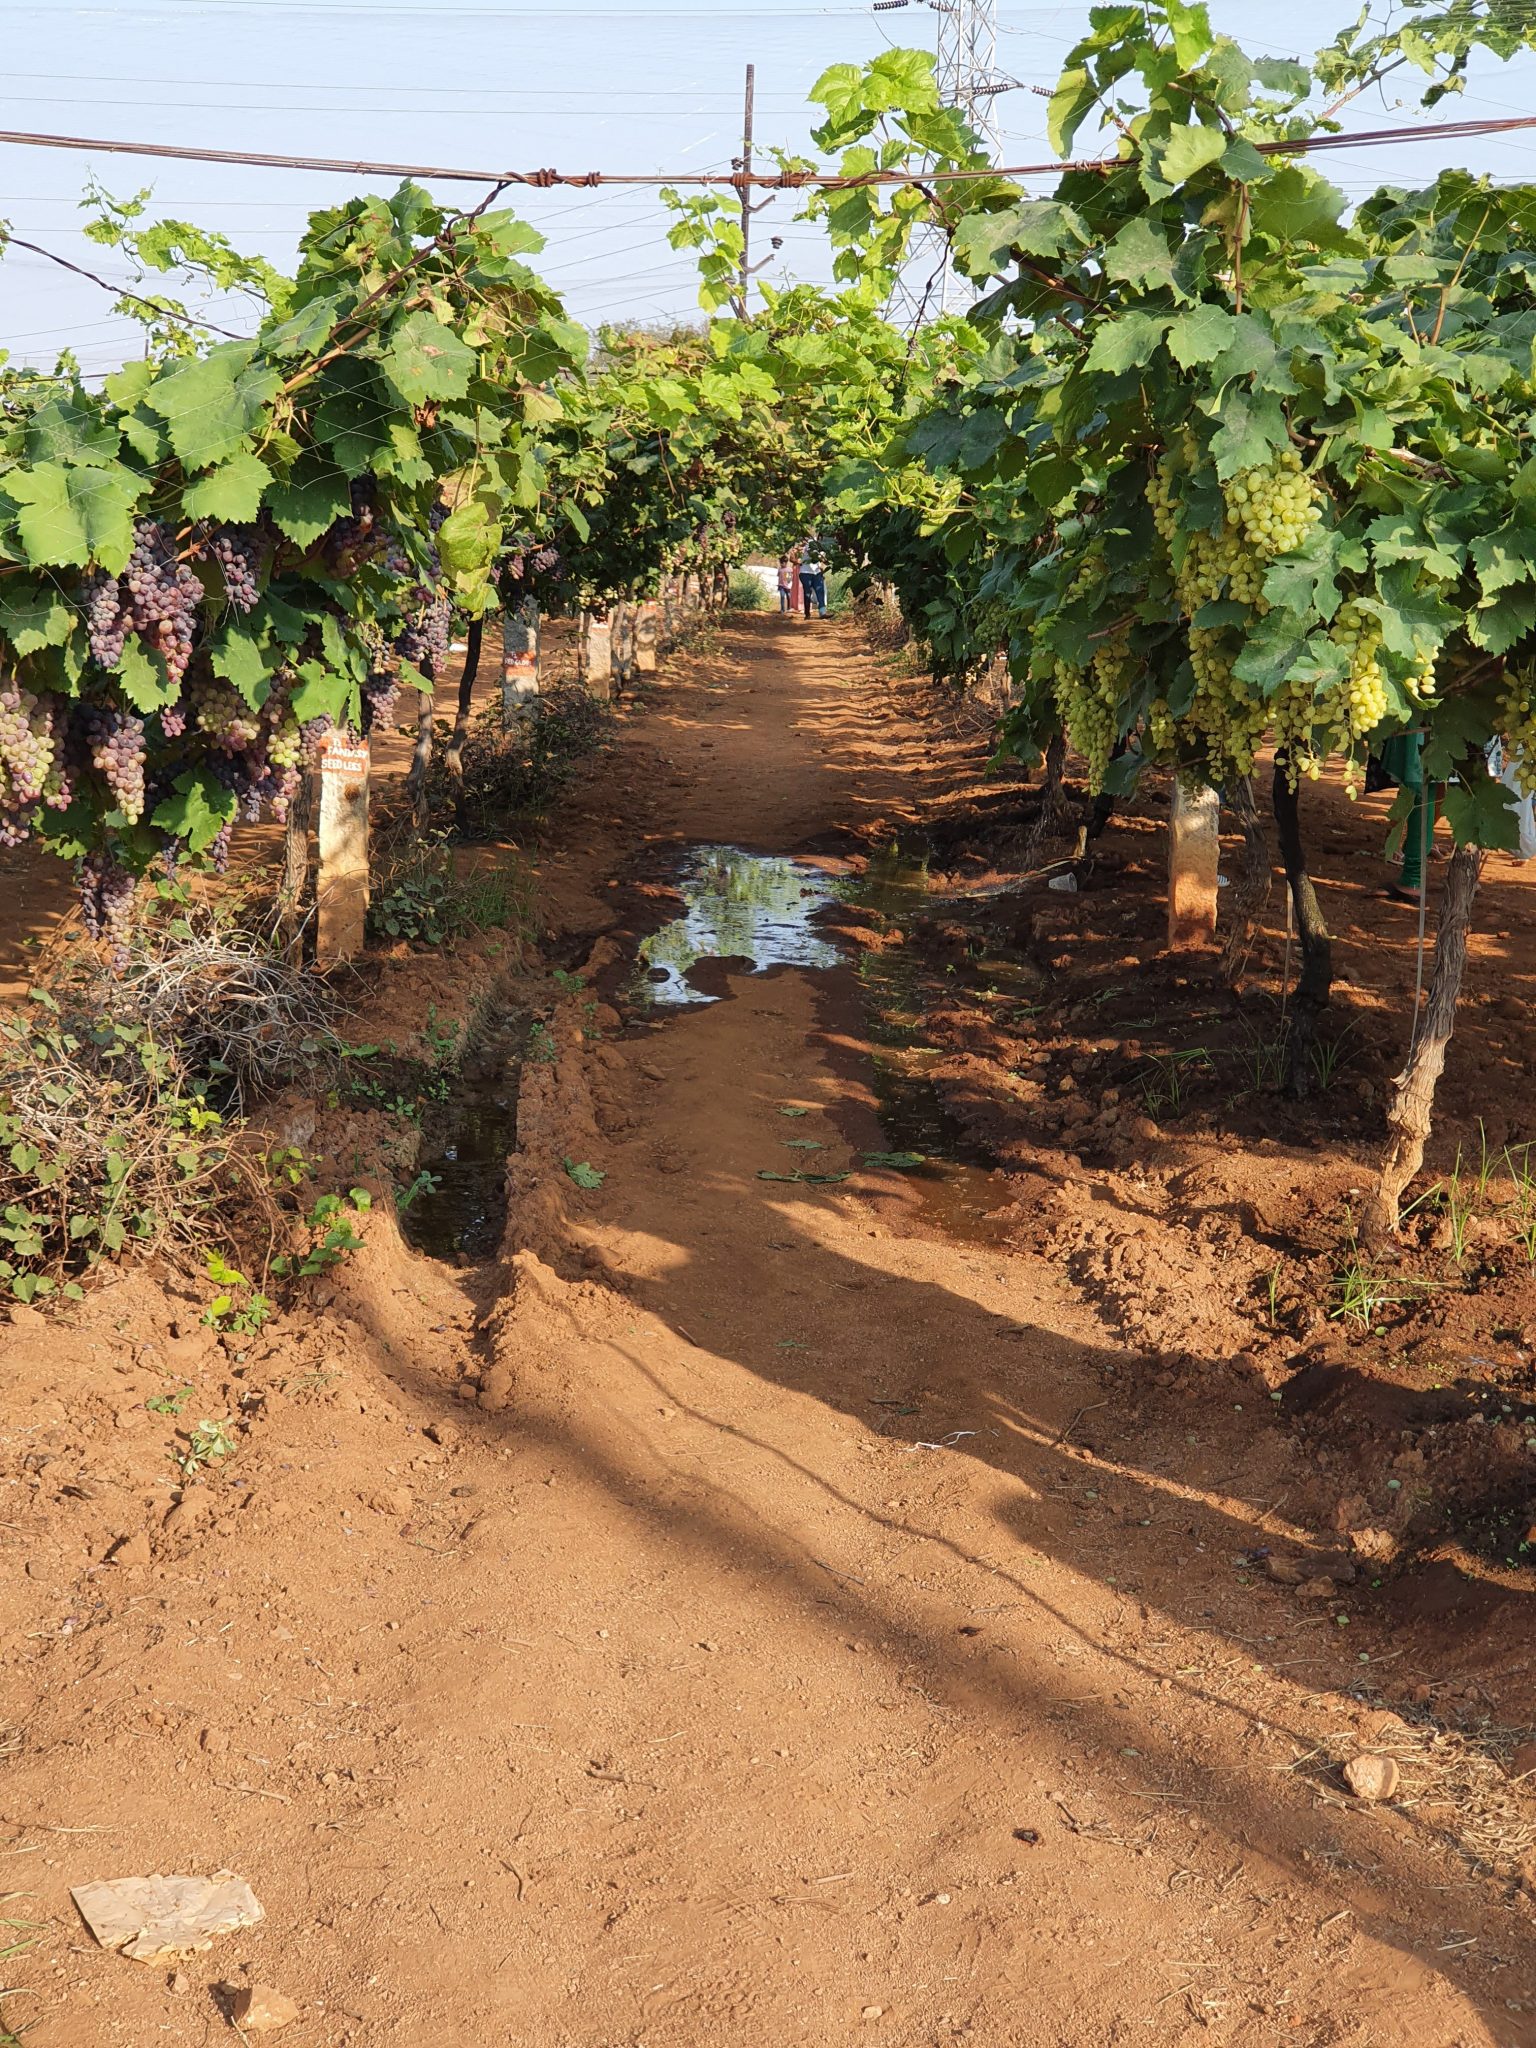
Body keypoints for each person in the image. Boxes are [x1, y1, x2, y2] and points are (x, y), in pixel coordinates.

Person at [799, 539, 828, 619]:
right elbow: (812, 554)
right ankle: (807, 613)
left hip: (816, 572)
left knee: (820, 591)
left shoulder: (823, 547)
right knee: (807, 593)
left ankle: (822, 612)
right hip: (805, 572)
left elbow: (823, 560)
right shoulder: (810, 544)